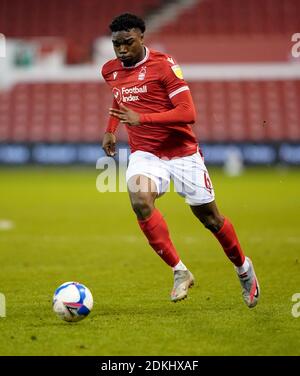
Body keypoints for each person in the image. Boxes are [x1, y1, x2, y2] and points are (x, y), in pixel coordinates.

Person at [101, 13, 260, 308]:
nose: (121, 50)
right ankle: (180, 271)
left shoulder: (164, 65)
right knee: (139, 199)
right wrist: (111, 130)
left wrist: (142, 118)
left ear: (141, 38)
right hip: (145, 153)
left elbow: (188, 113)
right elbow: (118, 97)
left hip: (182, 152)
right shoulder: (110, 70)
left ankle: (243, 269)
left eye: (127, 43)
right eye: (116, 44)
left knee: (210, 219)